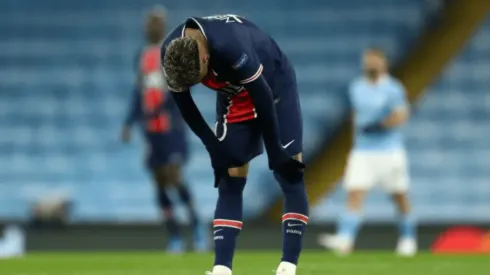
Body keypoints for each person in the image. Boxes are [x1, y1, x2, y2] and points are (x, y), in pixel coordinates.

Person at [161, 14, 308, 275]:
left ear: (205, 58)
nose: (199, 85)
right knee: (230, 176)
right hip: (233, 95)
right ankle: (222, 269)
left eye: (199, 78)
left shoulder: (230, 44)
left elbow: (261, 94)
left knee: (289, 171)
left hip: (274, 87)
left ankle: (288, 267)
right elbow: (185, 105)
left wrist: (275, 151)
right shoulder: (171, 54)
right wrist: (213, 148)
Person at [121, 7, 208, 254]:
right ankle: (174, 235)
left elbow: (180, 88)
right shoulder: (142, 56)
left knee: (174, 175)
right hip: (151, 130)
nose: (152, 27)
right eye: (149, 23)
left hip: (172, 128)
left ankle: (196, 227)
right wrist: (129, 122)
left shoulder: (172, 50)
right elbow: (138, 92)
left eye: (156, 23)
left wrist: (159, 109)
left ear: (163, 26)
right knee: (159, 182)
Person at [318, 48, 416, 256]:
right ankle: (345, 239)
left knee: (399, 196)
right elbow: (357, 115)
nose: (370, 64)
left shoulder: (392, 88)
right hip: (363, 151)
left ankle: (408, 238)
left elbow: (401, 114)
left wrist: (381, 125)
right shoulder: (357, 87)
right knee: (354, 192)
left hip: (389, 152)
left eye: (374, 60)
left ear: (383, 63)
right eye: (367, 61)